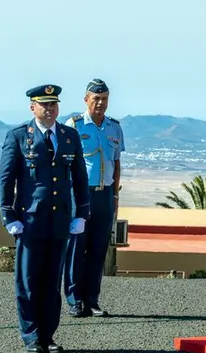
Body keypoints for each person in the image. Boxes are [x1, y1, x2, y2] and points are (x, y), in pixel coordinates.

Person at [0, 84, 90, 353]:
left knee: (51, 282)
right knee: (28, 281)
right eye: (44, 105)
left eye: (53, 104)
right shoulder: (17, 137)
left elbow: (80, 178)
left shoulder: (69, 136)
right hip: (30, 221)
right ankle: (31, 336)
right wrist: (9, 215)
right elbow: (6, 179)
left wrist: (81, 214)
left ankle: (48, 336)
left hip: (60, 220)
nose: (49, 110)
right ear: (32, 107)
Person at [63, 78, 125, 317]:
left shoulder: (114, 127)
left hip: (105, 194)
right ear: (86, 100)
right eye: (96, 99)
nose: (100, 103)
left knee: (99, 249)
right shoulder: (75, 125)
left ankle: (92, 300)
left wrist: (115, 196)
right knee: (77, 248)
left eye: (104, 99)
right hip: (81, 194)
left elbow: (116, 163)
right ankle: (74, 300)